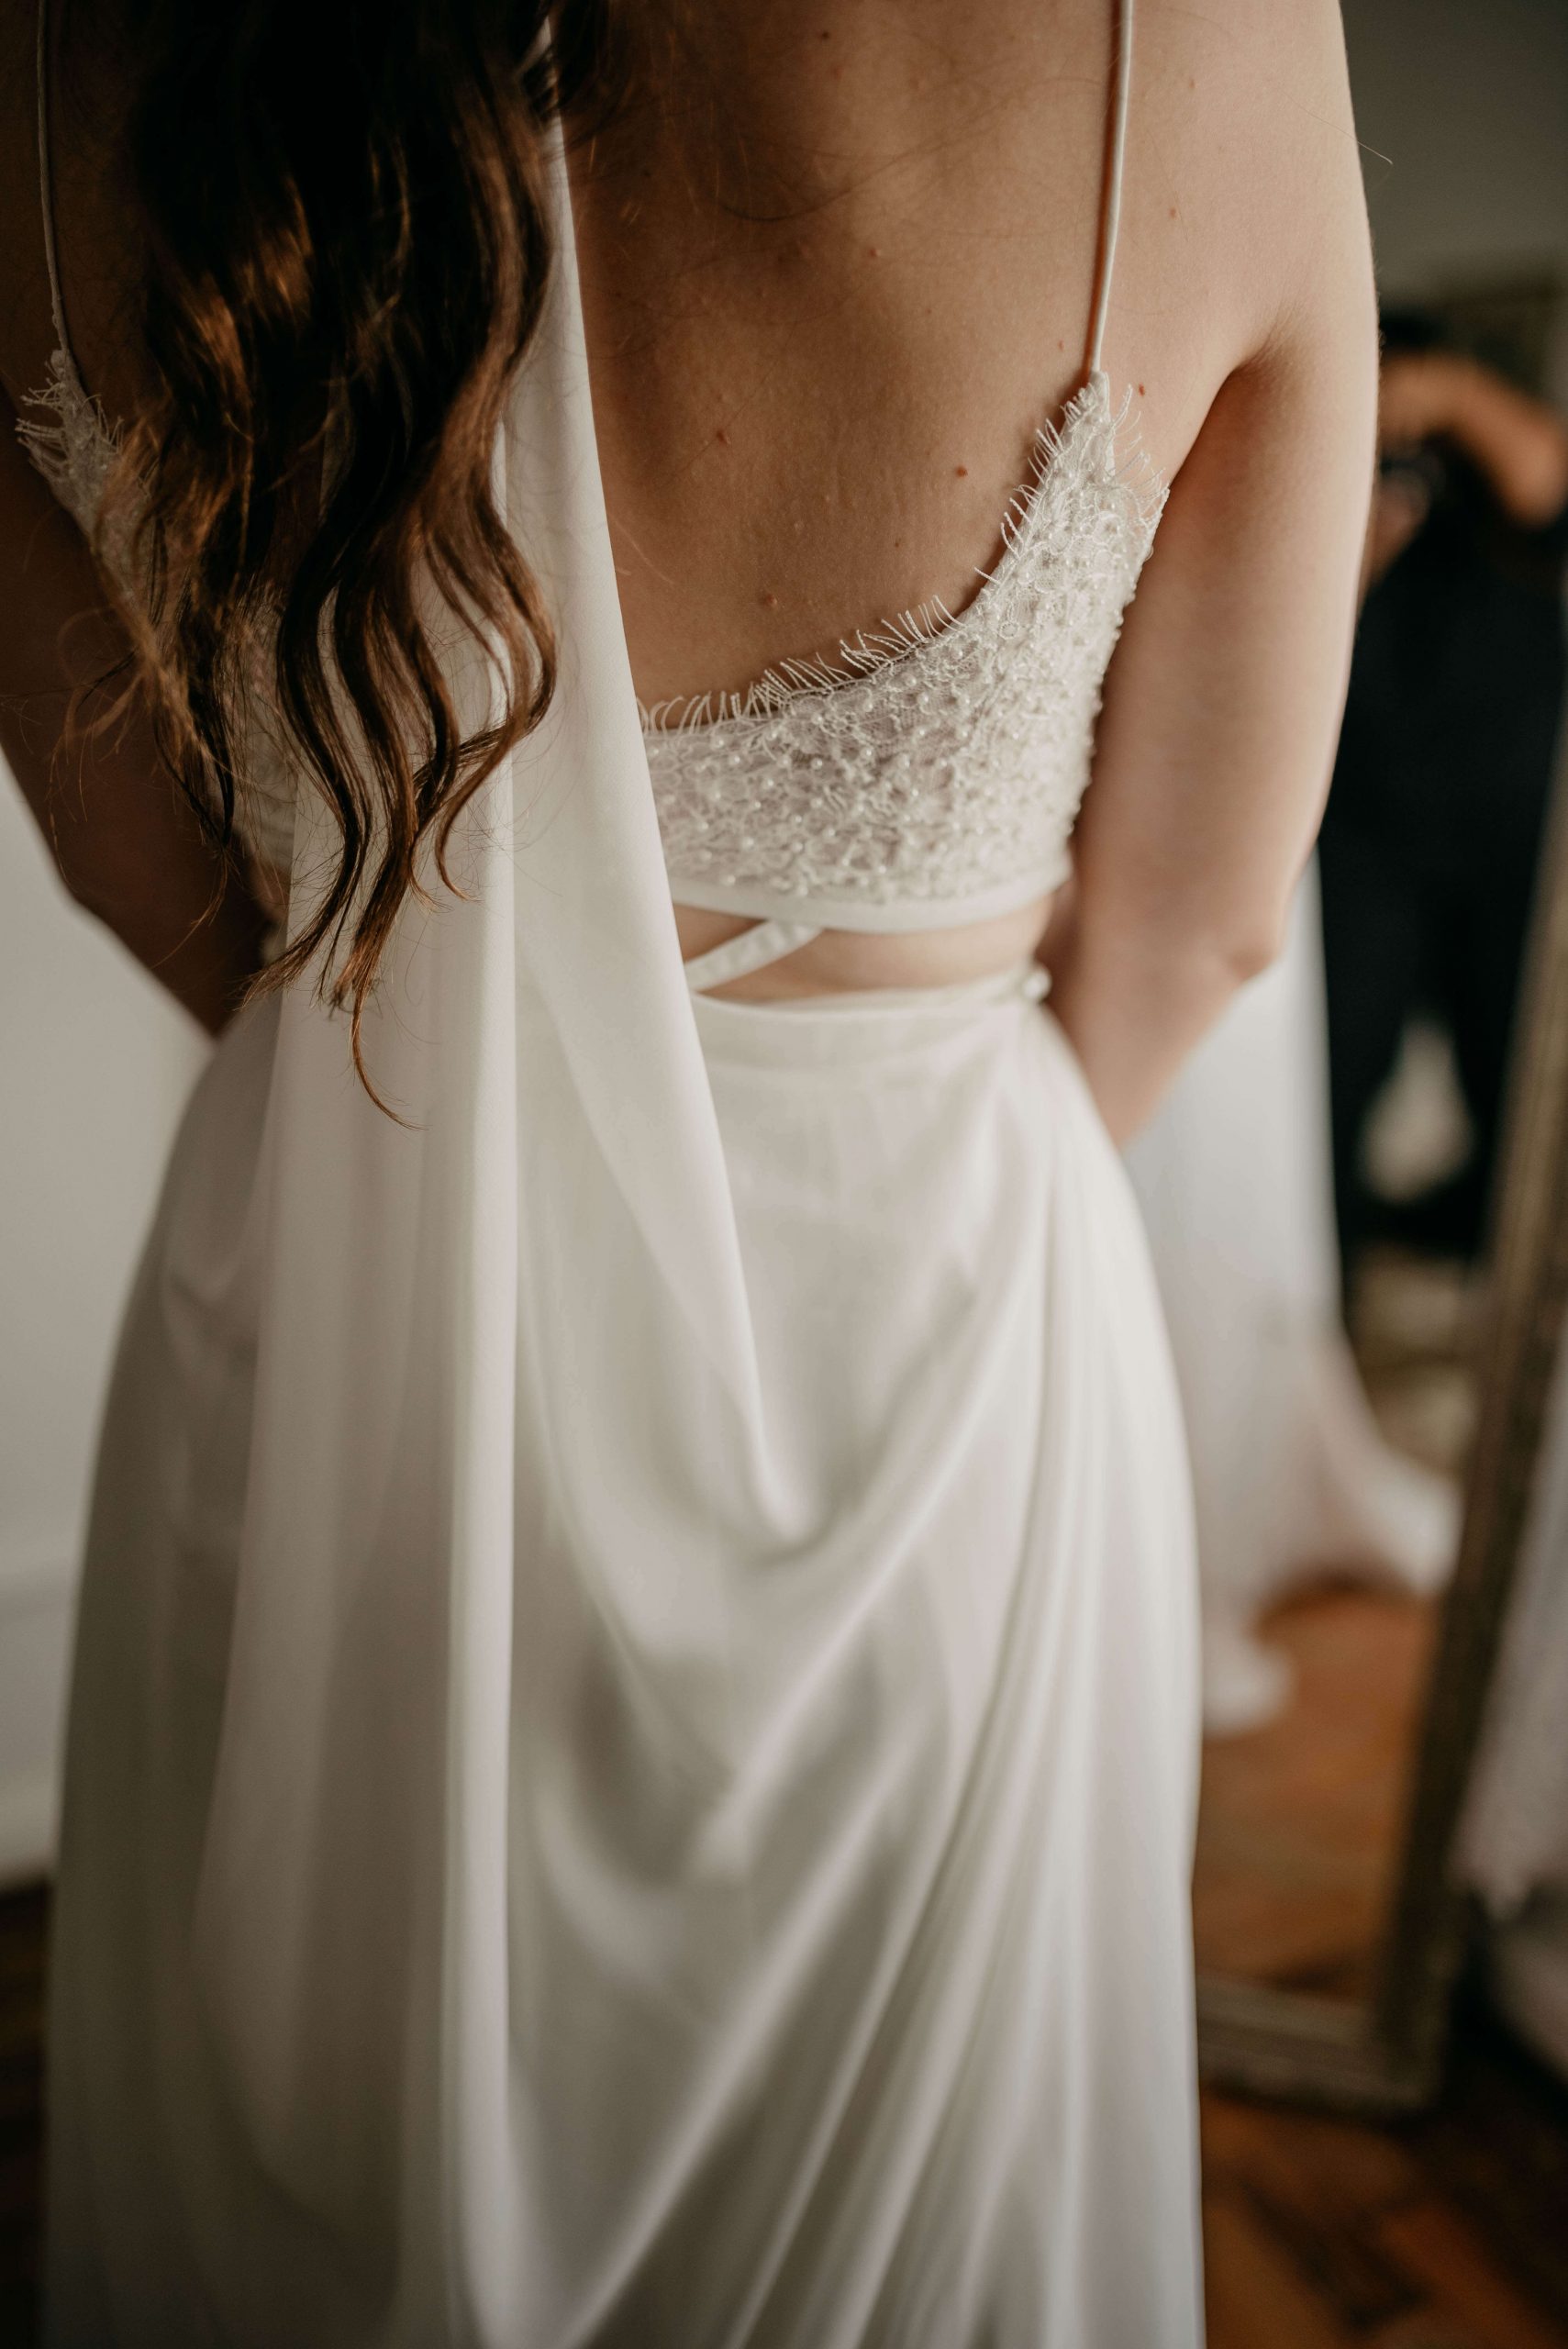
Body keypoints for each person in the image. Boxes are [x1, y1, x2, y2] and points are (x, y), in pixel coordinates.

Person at [0, 0, 1375, 2340]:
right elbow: (1204, 922)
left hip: (331, 1349)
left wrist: (441, 1125)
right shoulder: (1201, 35)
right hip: (927, 1383)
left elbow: (155, 882)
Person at [1320, 317, 1568, 1275]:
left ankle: (1497, 1279)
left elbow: (1549, 492)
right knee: (1337, 1072)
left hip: (1508, 818)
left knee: (1514, 1073)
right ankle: (1330, 1286)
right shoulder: (1307, 443)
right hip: (1359, 824)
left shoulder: (1464, 408)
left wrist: (1446, 396)